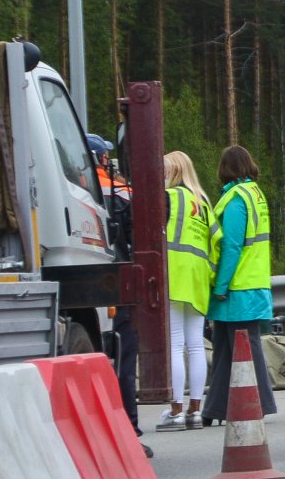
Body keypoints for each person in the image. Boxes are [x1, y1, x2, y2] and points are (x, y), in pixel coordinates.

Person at [201, 145, 277, 426]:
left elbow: (231, 247)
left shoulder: (234, 200)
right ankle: (216, 408)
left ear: (225, 169)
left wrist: (220, 286)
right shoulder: (255, 193)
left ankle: (254, 403)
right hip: (253, 282)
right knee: (226, 346)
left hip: (237, 286)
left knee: (239, 347)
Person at [88, 134, 148, 454]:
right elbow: (139, 240)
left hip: (83, 282)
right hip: (118, 281)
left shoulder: (75, 186)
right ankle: (130, 429)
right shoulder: (122, 190)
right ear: (99, 158)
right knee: (125, 354)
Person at [157, 151, 213, 432]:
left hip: (174, 274)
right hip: (199, 277)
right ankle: (195, 410)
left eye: (165, 171)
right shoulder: (203, 201)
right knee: (195, 344)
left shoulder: (168, 198)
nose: (162, 176)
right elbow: (217, 238)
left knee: (175, 343)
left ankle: (176, 410)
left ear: (174, 171)